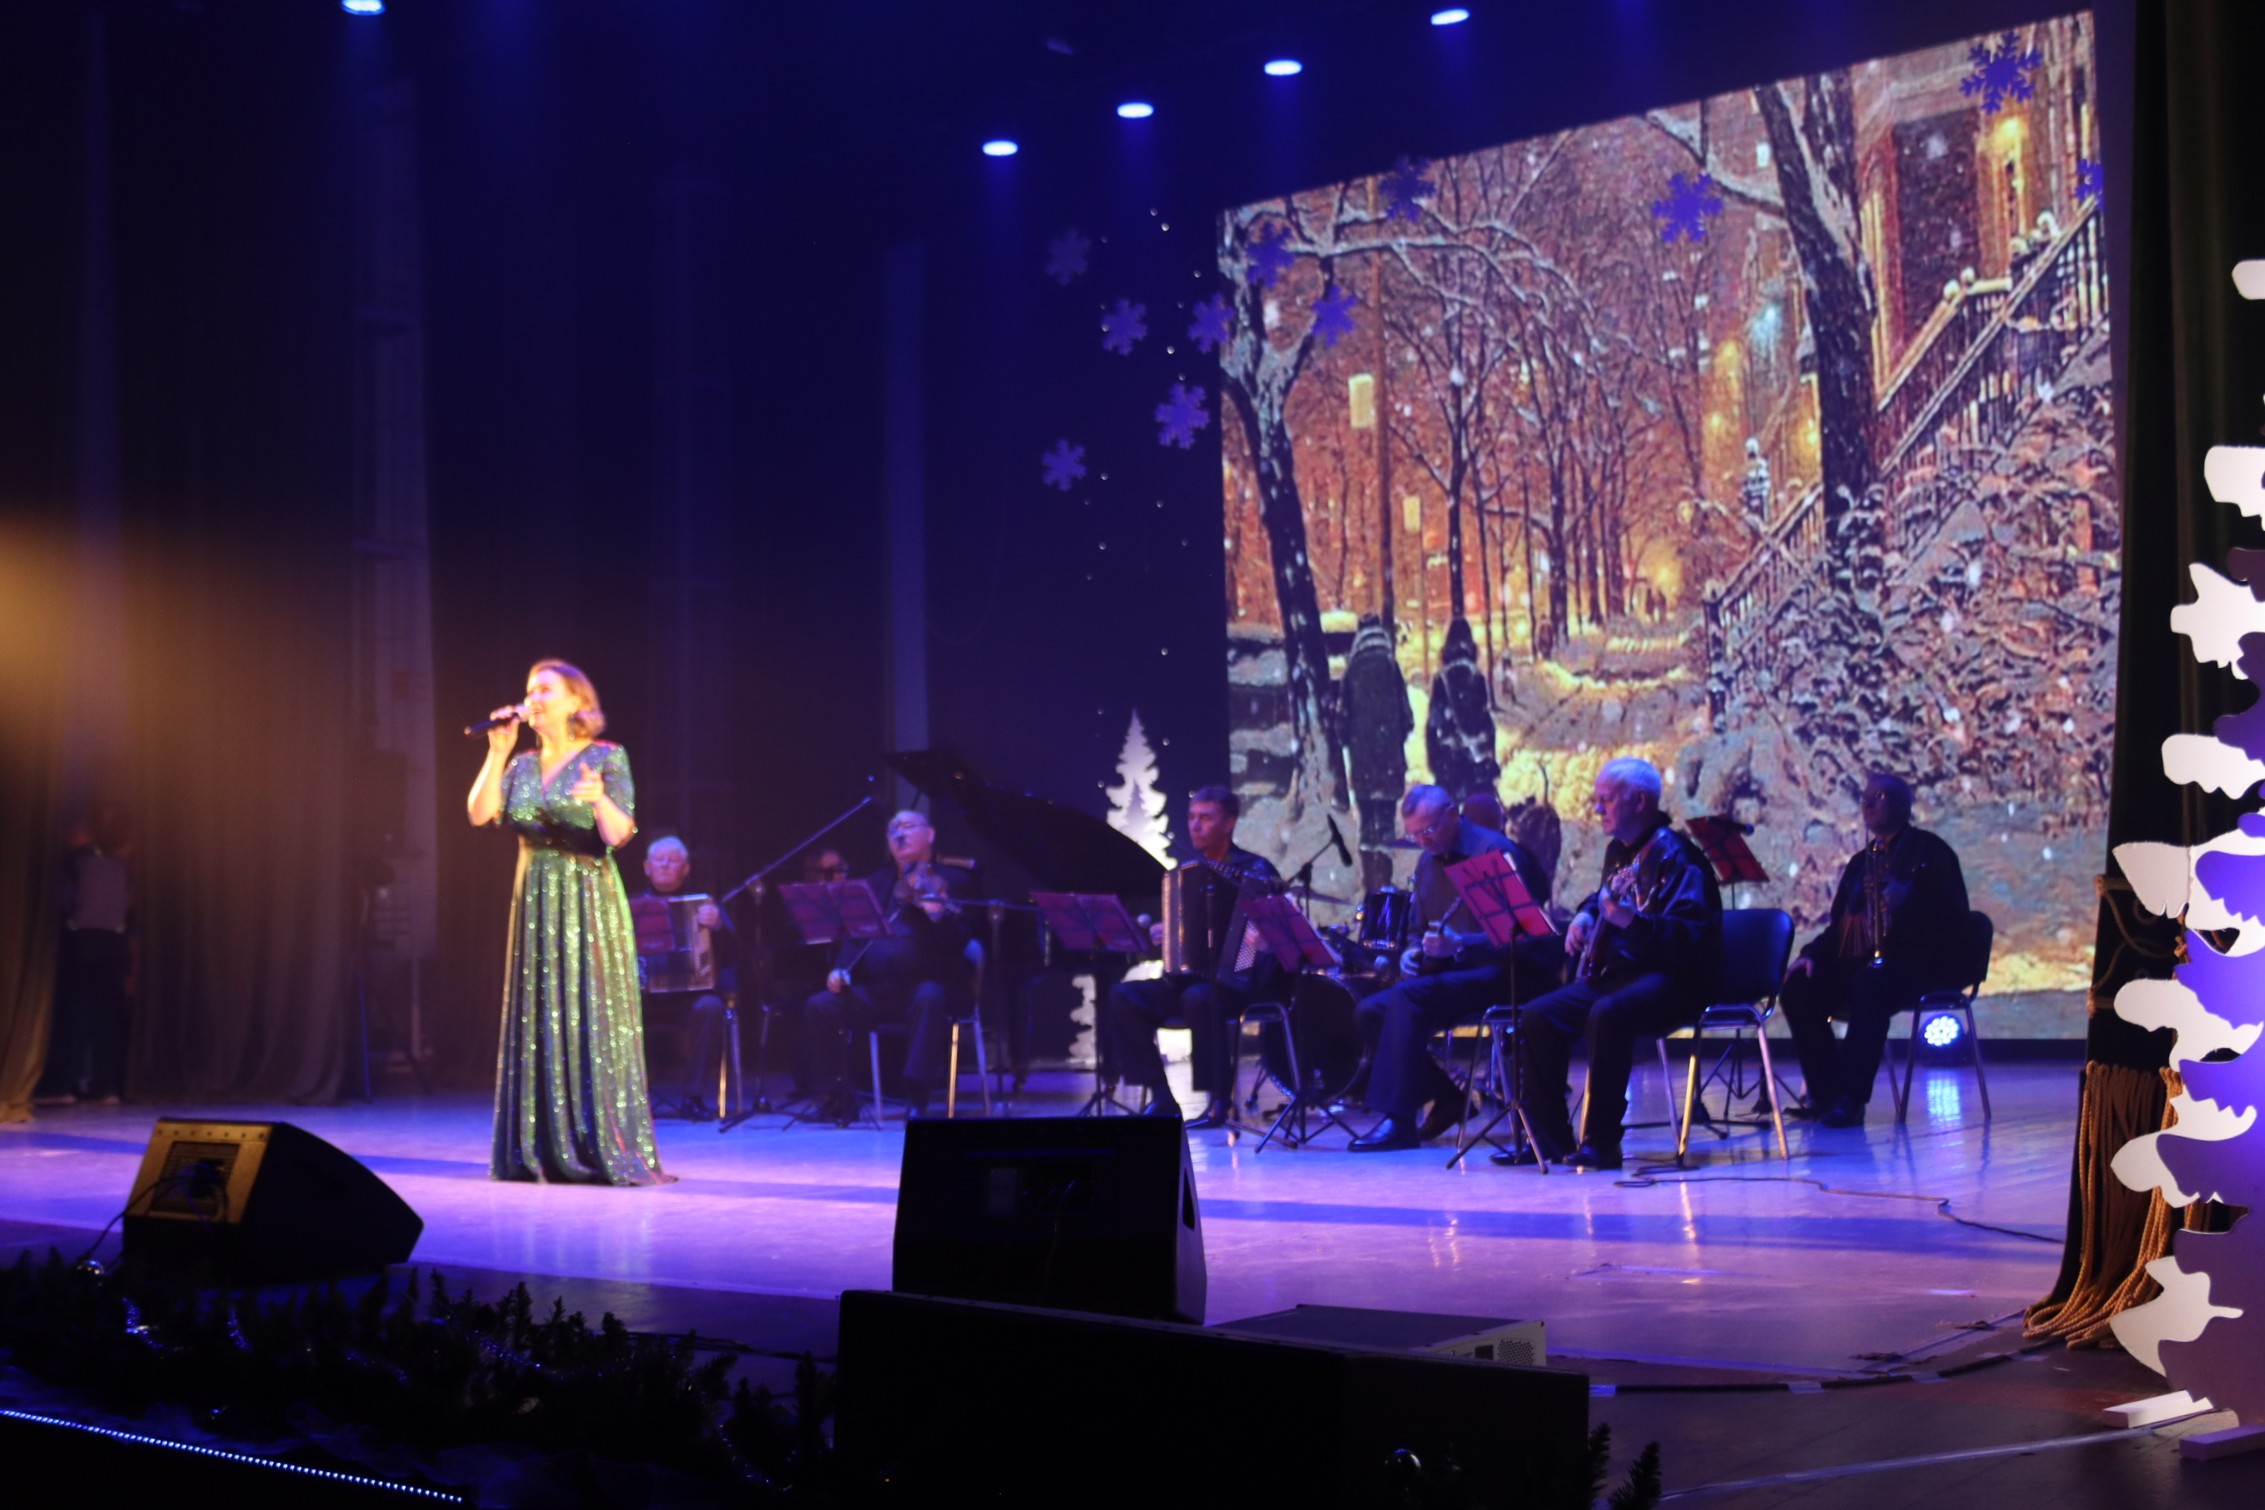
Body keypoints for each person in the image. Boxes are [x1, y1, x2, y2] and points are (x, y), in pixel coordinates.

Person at [469, 659, 669, 1185]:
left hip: (588, 900)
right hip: (535, 901)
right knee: (541, 1017)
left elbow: (619, 834)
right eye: (529, 689)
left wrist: (599, 798)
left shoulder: (605, 756)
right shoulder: (519, 765)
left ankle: (597, 1143)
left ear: (576, 701)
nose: (532, 697)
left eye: (544, 689)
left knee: (590, 1014)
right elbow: (478, 814)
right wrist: (497, 752)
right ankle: (539, 1146)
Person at [1504, 757, 1721, 1172]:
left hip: (1675, 979)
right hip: (1623, 976)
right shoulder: (1620, 851)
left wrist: (1629, 921)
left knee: (1608, 1013)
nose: (1597, 808)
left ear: (1639, 801)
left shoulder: (1681, 857)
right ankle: (1549, 1140)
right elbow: (1603, 896)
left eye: (1606, 799)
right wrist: (1586, 915)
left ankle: (1602, 1143)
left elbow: (1689, 937)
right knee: (1538, 1015)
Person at [1347, 786, 1562, 1152]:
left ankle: (1399, 1121)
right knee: (1369, 1011)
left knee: (1406, 998)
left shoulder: (1494, 852)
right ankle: (1448, 1097)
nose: (1422, 841)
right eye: (1415, 834)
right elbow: (1417, 929)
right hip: (1457, 975)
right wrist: (1413, 951)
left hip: (1507, 971)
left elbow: (1529, 935)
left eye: (1428, 830)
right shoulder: (1426, 863)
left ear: (1452, 815)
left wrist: (1461, 944)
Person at [1780, 773, 1970, 1127]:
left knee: (1871, 983)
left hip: (1921, 965)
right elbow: (1840, 928)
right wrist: (1811, 955)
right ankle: (1826, 1094)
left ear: (1901, 805)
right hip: (1868, 966)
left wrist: (1909, 901)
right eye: (1865, 797)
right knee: (1799, 988)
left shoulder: (1932, 853)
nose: (1867, 803)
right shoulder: (1860, 863)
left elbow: (1955, 921)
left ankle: (1851, 1098)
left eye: (1878, 796)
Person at [1101, 785, 1279, 1127]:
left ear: (1229, 823)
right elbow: (1184, 932)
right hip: (1187, 980)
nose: (1195, 826)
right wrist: (1166, 933)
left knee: (1199, 998)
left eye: (1206, 818)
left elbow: (1269, 932)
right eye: (1192, 817)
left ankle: (1218, 1103)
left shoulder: (1256, 870)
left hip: (1239, 981)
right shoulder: (1187, 872)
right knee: (1124, 996)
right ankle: (1162, 1097)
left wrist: (1255, 941)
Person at [801, 811, 977, 1119]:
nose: (899, 834)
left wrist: (939, 916)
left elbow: (962, 943)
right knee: (820, 1005)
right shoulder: (875, 883)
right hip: (876, 990)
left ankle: (916, 1095)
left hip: (926, 986)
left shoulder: (954, 881)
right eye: (893, 829)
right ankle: (836, 1098)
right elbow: (854, 934)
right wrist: (841, 969)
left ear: (930, 835)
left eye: (908, 827)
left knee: (929, 996)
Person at [628, 836, 737, 1119]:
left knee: (710, 1007)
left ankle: (693, 1096)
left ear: (686, 868)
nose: (665, 865)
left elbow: (735, 953)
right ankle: (634, 1098)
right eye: (659, 860)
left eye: (673, 860)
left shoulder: (705, 904)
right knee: (617, 1008)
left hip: (689, 996)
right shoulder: (630, 906)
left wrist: (718, 926)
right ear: (647, 867)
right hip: (644, 995)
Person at [34, 807, 135, 1108]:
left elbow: (63, 902)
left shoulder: (74, 865)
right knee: (107, 1019)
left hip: (81, 944)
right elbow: (128, 907)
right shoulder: (120, 868)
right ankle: (106, 1087)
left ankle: (60, 1085)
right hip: (113, 946)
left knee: (72, 1015)